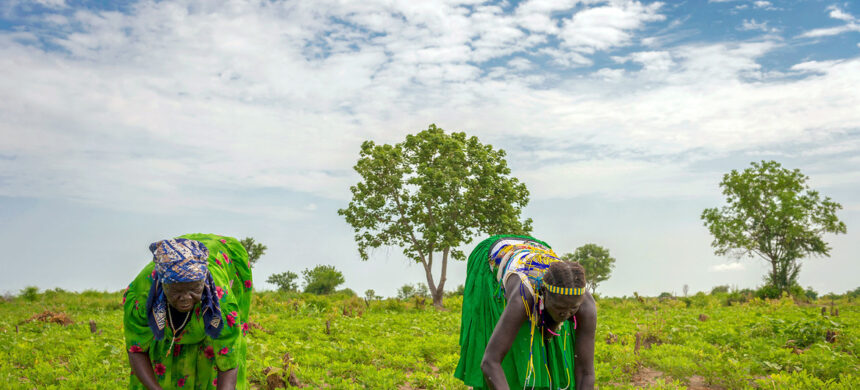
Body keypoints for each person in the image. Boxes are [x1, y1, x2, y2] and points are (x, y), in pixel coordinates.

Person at [455, 235, 596, 390]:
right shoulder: (522, 297)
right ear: (543, 294)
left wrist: (564, 310)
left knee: (558, 342)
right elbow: (490, 362)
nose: (567, 314)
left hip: (537, 249)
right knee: (510, 338)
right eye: (560, 308)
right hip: (495, 253)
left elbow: (586, 372)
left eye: (572, 309)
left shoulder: (583, 304)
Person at [123, 234, 253, 390]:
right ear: (163, 286)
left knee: (211, 349)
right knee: (159, 352)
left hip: (222, 258)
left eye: (194, 289)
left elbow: (228, 357)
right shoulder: (143, 296)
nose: (185, 298)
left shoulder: (220, 300)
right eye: (176, 291)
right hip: (160, 294)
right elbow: (136, 350)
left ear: (203, 282)